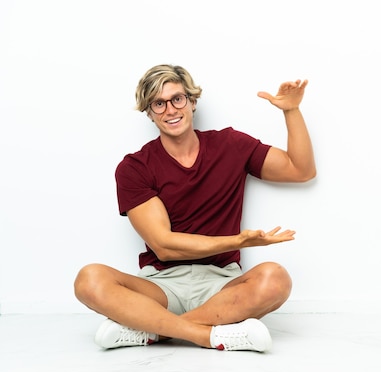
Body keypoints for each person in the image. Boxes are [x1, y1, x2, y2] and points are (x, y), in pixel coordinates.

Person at [74, 64, 315, 352]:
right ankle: (208, 335)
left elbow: (300, 170)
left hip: (222, 284)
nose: (170, 110)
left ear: (192, 101)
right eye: (158, 103)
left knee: (276, 279)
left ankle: (153, 331)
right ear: (149, 112)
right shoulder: (135, 167)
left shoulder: (230, 144)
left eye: (177, 99)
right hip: (161, 285)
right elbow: (164, 246)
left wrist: (291, 111)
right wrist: (238, 241)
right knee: (89, 279)